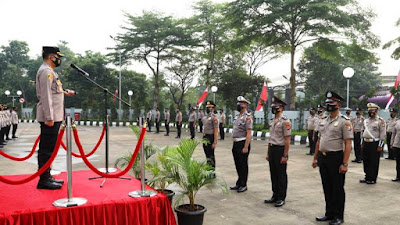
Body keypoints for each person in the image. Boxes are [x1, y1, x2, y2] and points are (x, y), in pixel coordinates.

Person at [36, 46, 76, 190]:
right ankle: (43, 180)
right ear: (52, 57)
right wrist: (49, 117)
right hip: (50, 117)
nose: (59, 60)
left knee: (50, 148)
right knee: (46, 149)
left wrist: (65, 92)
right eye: (58, 57)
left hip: (55, 115)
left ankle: (47, 175)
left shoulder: (50, 71)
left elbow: (53, 91)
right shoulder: (46, 72)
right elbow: (45, 96)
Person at [312, 91, 353, 225]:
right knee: (327, 187)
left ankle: (338, 216)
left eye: (332, 103)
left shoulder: (344, 122)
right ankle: (329, 213)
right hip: (323, 158)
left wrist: (345, 164)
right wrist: (315, 157)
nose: (329, 105)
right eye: (327, 103)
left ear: (339, 104)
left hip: (336, 158)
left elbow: (348, 144)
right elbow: (319, 140)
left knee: (337, 188)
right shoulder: (323, 120)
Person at [264, 96, 291, 207]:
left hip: (280, 149)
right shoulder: (272, 121)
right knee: (273, 174)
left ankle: (281, 197)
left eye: (277, 106)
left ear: (282, 108)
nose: (274, 108)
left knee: (281, 175)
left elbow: (287, 140)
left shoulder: (285, 122)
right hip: (272, 149)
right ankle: (274, 195)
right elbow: (271, 139)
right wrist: (267, 153)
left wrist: (285, 155)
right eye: (273, 106)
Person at [230, 96, 252, 193]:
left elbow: (248, 133)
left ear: (245, 105)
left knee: (243, 165)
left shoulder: (247, 117)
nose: (238, 105)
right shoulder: (237, 117)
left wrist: (246, 146)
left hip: (243, 143)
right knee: (238, 164)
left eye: (240, 104)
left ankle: (244, 184)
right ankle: (239, 182)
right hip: (235, 142)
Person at [360, 103, 386, 184]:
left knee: (373, 161)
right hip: (365, 142)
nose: (371, 112)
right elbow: (362, 132)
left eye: (373, 110)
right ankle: (367, 176)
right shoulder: (366, 121)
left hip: (374, 143)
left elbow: (383, 134)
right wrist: (361, 143)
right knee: (366, 160)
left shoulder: (380, 121)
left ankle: (372, 178)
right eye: (369, 110)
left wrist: (380, 145)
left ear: (376, 111)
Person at [202, 101, 218, 175]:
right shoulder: (205, 117)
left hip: (210, 137)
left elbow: (216, 131)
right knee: (207, 155)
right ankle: (208, 171)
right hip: (205, 137)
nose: (208, 109)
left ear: (213, 108)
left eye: (209, 107)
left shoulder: (214, 118)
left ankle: (212, 172)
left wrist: (215, 142)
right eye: (207, 107)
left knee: (211, 155)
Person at [390, 115, 400, 182]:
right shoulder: (397, 122)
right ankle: (398, 176)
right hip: (397, 145)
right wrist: (392, 143)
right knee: (398, 162)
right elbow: (393, 133)